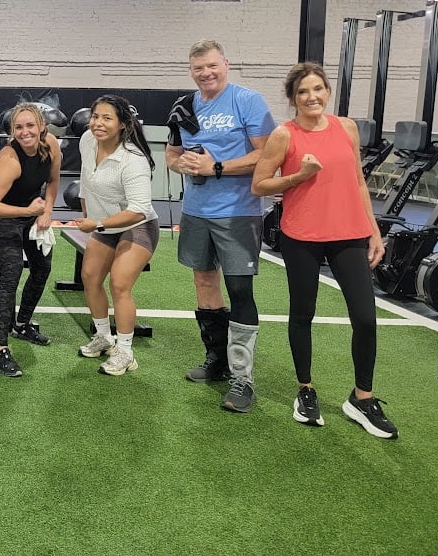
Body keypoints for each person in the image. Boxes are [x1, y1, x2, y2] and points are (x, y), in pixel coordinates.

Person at [251, 62, 397, 438]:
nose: (312, 97)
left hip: (348, 234)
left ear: (327, 91)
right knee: (303, 314)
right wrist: (299, 176)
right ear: (293, 99)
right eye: (303, 92)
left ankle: (362, 397)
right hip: (302, 237)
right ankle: (305, 389)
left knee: (365, 317)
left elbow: (359, 182)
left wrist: (373, 230)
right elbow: (260, 185)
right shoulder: (284, 135)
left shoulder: (346, 127)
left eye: (318, 89)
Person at [165, 39, 275, 413]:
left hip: (238, 212)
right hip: (196, 210)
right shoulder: (185, 106)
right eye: (198, 68)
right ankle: (218, 360)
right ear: (191, 71)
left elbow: (266, 155)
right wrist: (182, 165)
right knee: (203, 280)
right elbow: (172, 154)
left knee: (240, 288)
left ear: (226, 64)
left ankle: (243, 379)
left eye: (212, 66)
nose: (206, 74)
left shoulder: (248, 101)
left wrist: (217, 168)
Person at [75, 95, 159, 376]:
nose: (98, 123)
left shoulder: (133, 160)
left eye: (107, 118)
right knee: (90, 276)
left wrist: (97, 223)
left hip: (138, 226)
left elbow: (138, 210)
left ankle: (125, 352)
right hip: (103, 225)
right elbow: (86, 180)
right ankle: (103, 337)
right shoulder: (87, 140)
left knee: (120, 284)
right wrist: (90, 217)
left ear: (123, 124)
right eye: (95, 116)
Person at [0, 103, 61, 377]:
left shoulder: (51, 146)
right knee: (11, 273)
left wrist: (47, 212)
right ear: (12, 132)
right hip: (4, 216)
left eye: (30, 126)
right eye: (18, 127)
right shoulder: (10, 160)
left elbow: (52, 181)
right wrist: (29, 211)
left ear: (41, 127)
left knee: (42, 267)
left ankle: (22, 323)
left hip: (31, 212)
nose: (25, 132)